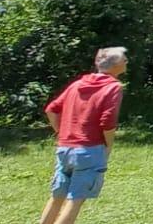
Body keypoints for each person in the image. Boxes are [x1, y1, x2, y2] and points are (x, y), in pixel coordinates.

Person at [40, 47, 127, 224]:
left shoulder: (77, 84)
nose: (127, 61)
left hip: (64, 148)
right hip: (89, 150)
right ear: (116, 64)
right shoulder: (113, 86)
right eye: (124, 58)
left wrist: (62, 132)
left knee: (57, 196)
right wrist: (108, 146)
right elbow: (108, 121)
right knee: (75, 200)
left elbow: (51, 109)